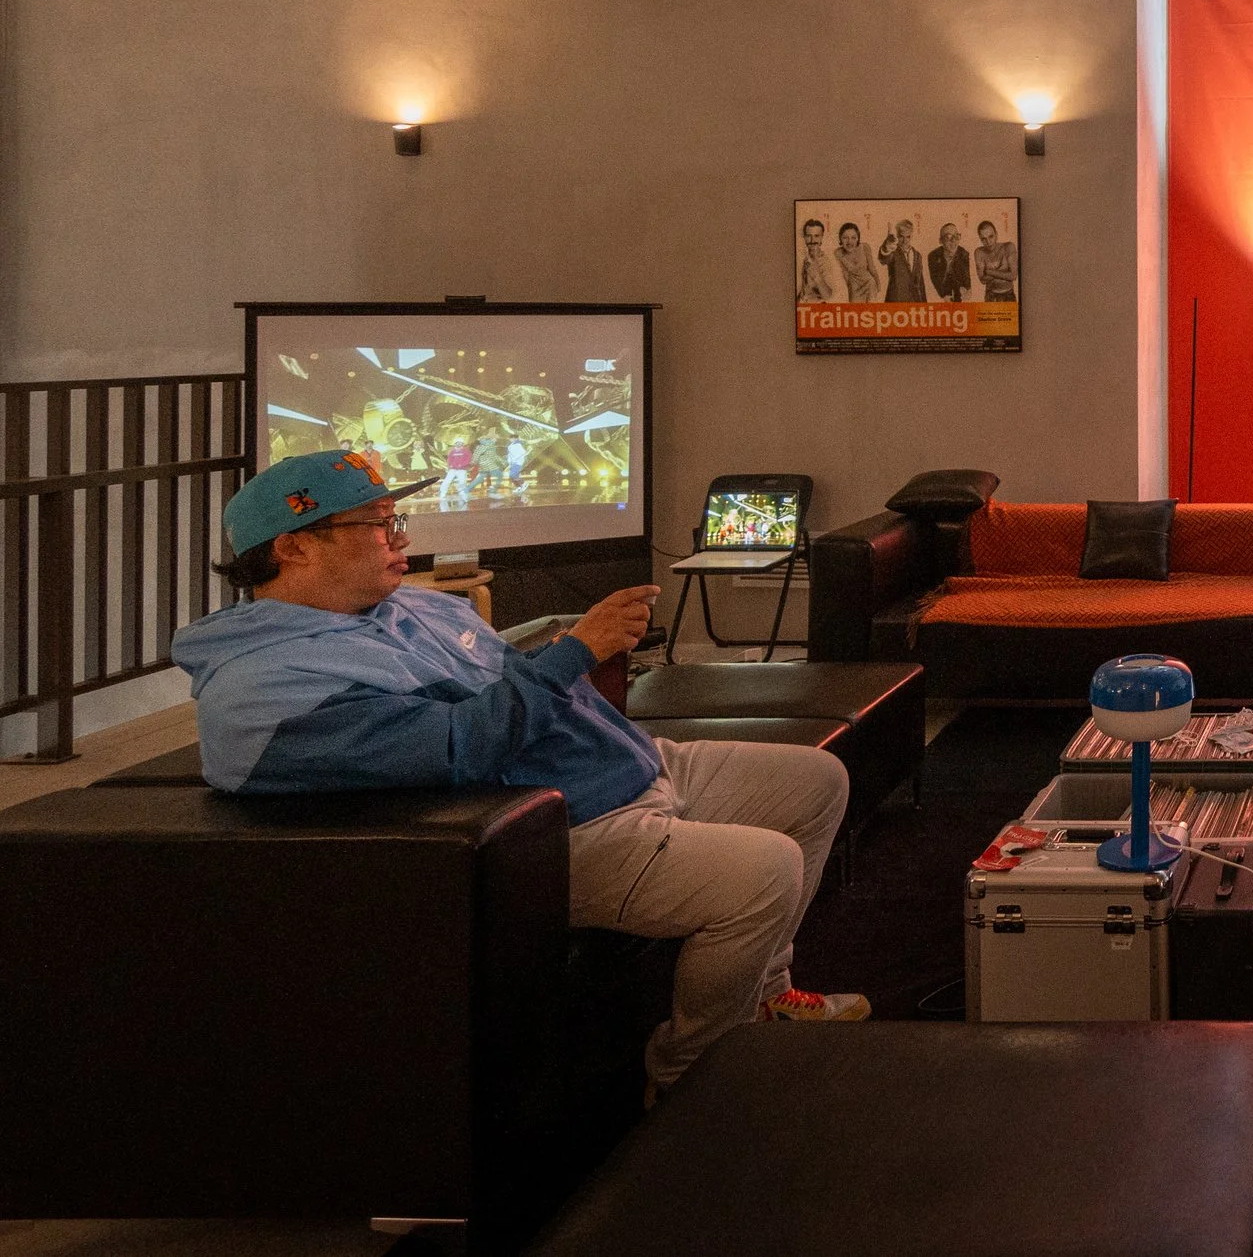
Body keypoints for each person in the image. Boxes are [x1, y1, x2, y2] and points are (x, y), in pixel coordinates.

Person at [171, 450, 868, 1095]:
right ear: (293, 546)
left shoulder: (404, 605)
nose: (402, 539)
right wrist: (576, 650)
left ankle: (767, 996)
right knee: (765, 870)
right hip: (558, 821)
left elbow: (511, 680)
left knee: (817, 781)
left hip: (628, 765)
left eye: (397, 520)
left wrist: (575, 664)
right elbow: (461, 747)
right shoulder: (271, 686)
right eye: (379, 525)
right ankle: (692, 1073)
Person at [879, 218, 927, 302]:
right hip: (895, 302)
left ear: (912, 235)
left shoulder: (918, 255)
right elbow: (883, 259)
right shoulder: (893, 252)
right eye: (901, 236)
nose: (905, 241)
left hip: (914, 304)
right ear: (897, 235)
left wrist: (924, 305)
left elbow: (921, 283)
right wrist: (886, 246)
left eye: (908, 237)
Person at [836, 221, 879, 302]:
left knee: (871, 312)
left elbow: (872, 268)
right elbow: (844, 274)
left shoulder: (865, 247)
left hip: (869, 284)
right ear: (840, 238)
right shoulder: (838, 253)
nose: (849, 242)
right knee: (854, 312)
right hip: (854, 287)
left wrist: (878, 285)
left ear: (858, 238)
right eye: (845, 238)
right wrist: (849, 288)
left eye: (853, 238)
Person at [975, 219, 1017, 302]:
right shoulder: (979, 252)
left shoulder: (1008, 247)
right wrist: (1002, 269)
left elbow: (1013, 276)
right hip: (990, 296)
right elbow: (983, 280)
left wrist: (989, 272)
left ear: (996, 235)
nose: (988, 242)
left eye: (991, 236)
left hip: (1008, 294)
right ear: (980, 239)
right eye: (984, 239)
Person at [928, 222, 972, 302]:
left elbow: (966, 282)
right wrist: (943, 295)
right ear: (941, 241)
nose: (953, 241)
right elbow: (935, 280)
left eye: (956, 236)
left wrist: (966, 290)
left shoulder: (964, 254)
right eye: (948, 237)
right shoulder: (933, 256)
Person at [797, 216, 837, 303]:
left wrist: (817, 276)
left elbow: (828, 295)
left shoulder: (825, 261)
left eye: (816, 236)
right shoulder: (803, 257)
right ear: (804, 237)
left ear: (821, 238)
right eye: (808, 236)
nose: (812, 240)